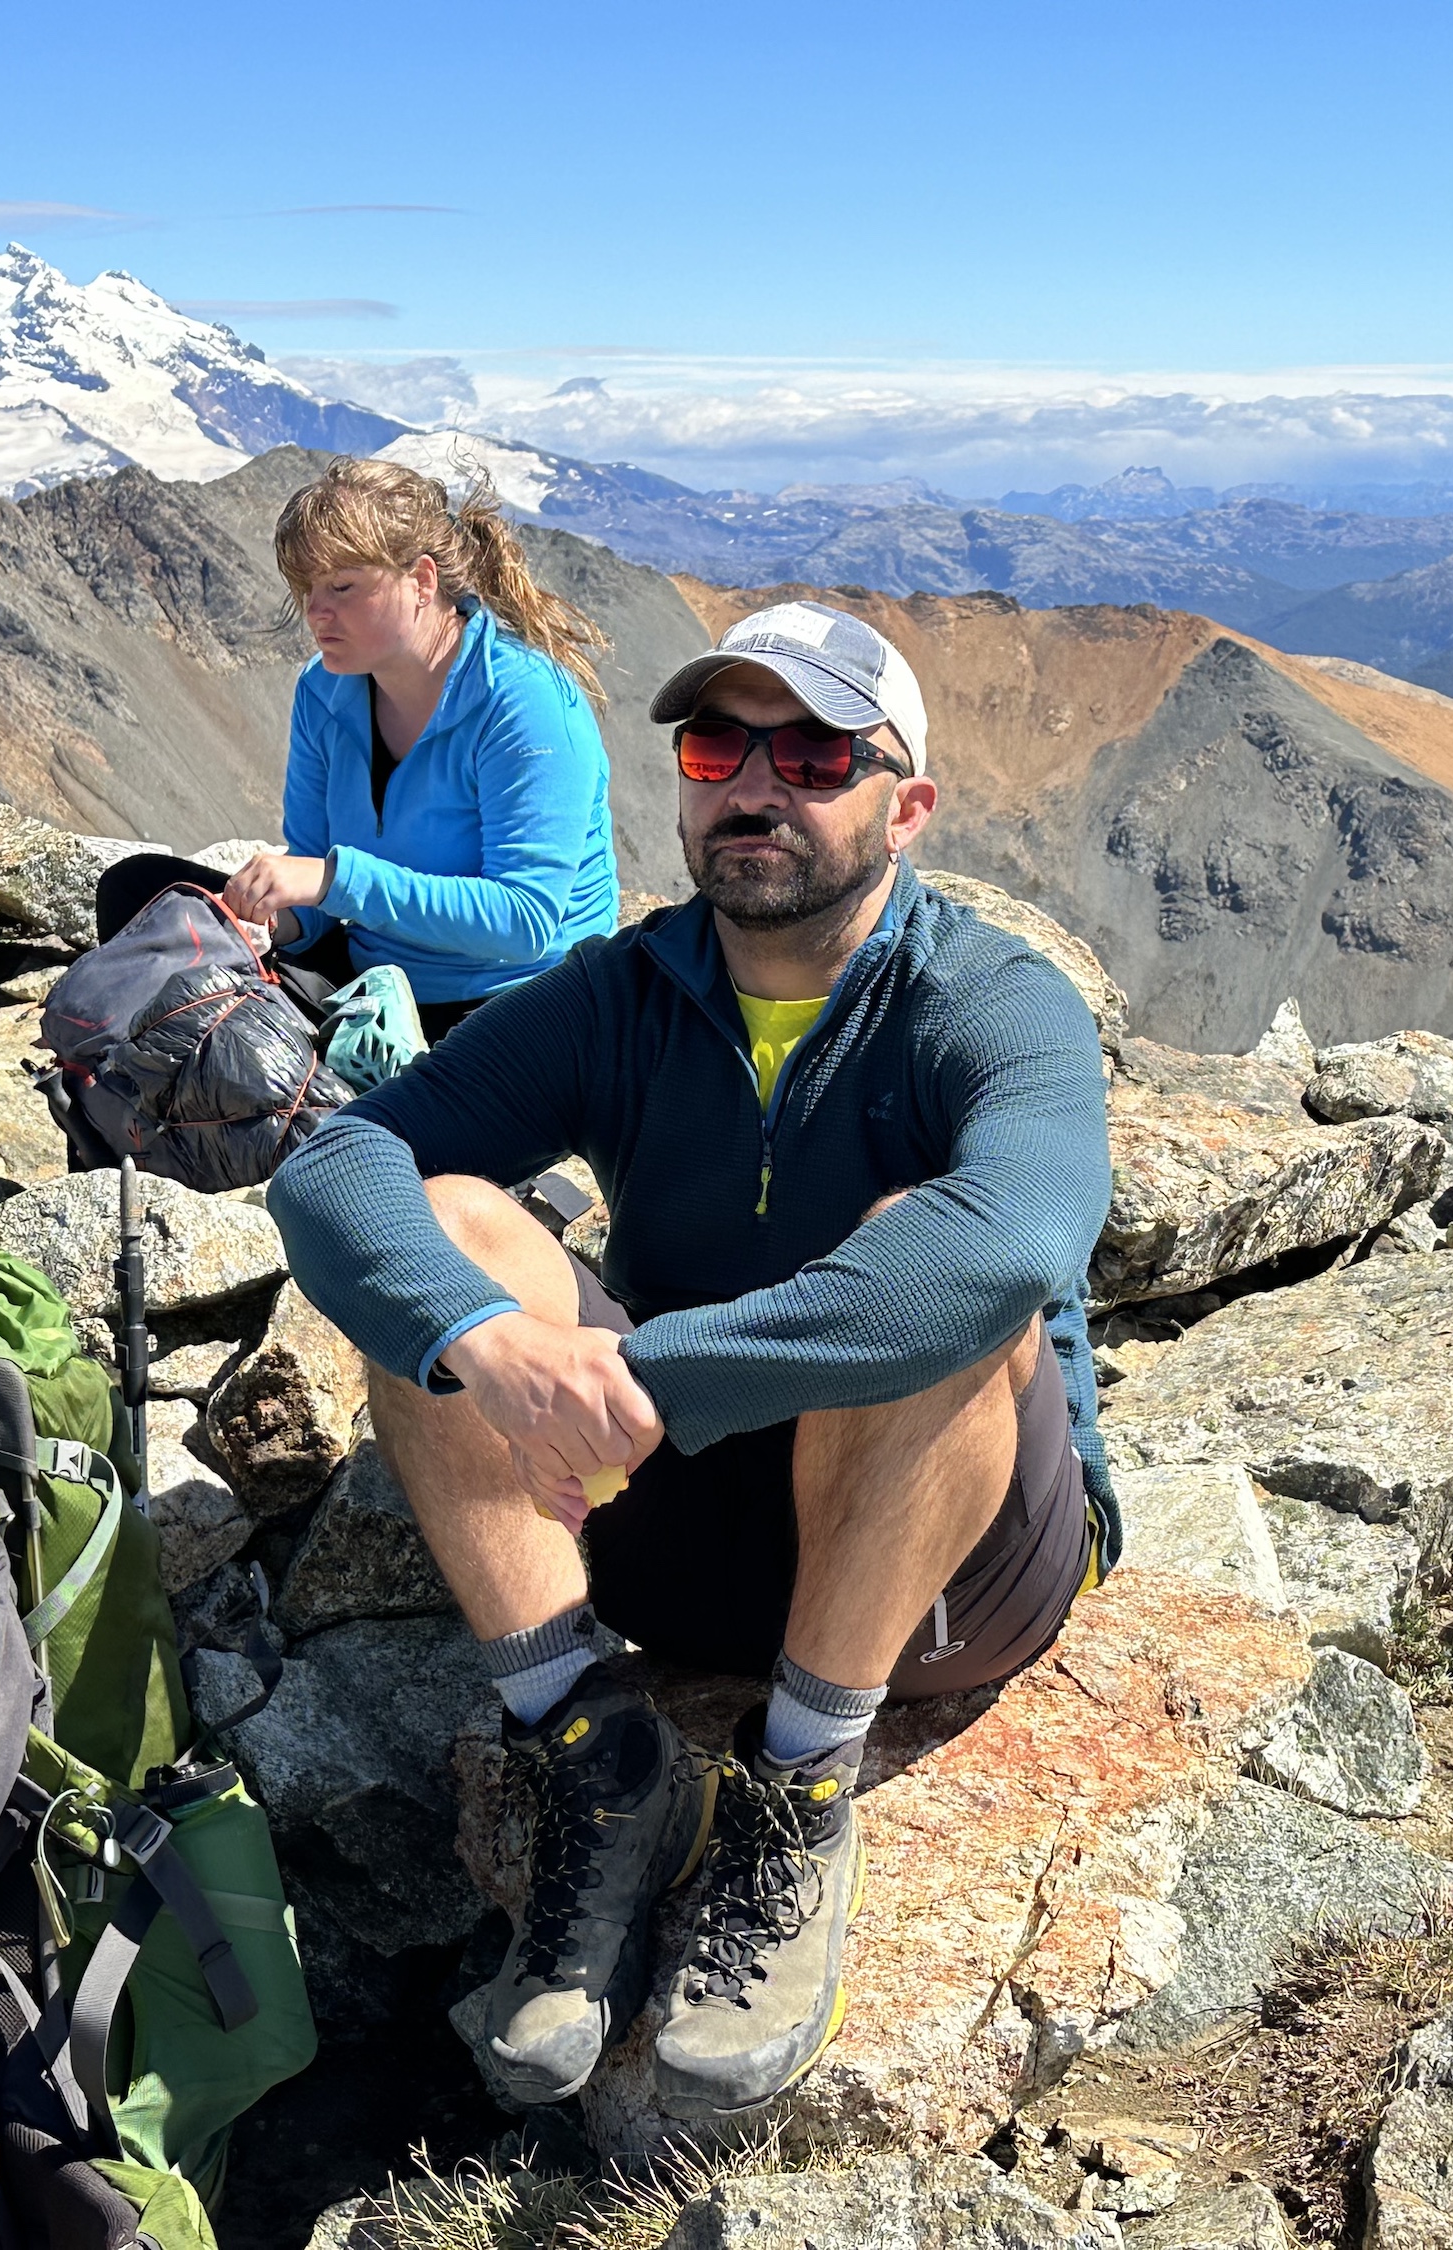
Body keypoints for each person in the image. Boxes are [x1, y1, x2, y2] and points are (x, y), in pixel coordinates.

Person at [266, 599, 1114, 2121]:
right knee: (452, 1229)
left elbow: (1016, 1241)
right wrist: (490, 1343)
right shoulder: (627, 990)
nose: (756, 783)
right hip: (672, 1538)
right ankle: (597, 1754)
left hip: (944, 1571)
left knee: (932, 1252)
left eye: (816, 751)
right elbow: (339, 1171)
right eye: (721, 742)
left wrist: (656, 1379)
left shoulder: (990, 1001)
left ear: (903, 805)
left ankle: (795, 1789)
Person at [100, 458, 620, 1042]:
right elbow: (316, 883)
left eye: (342, 587)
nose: (317, 612)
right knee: (141, 892)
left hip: (513, 1004)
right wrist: (278, 920)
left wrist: (329, 881)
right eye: (309, 589)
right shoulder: (322, 692)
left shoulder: (527, 702)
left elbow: (523, 920)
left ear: (422, 582)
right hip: (372, 985)